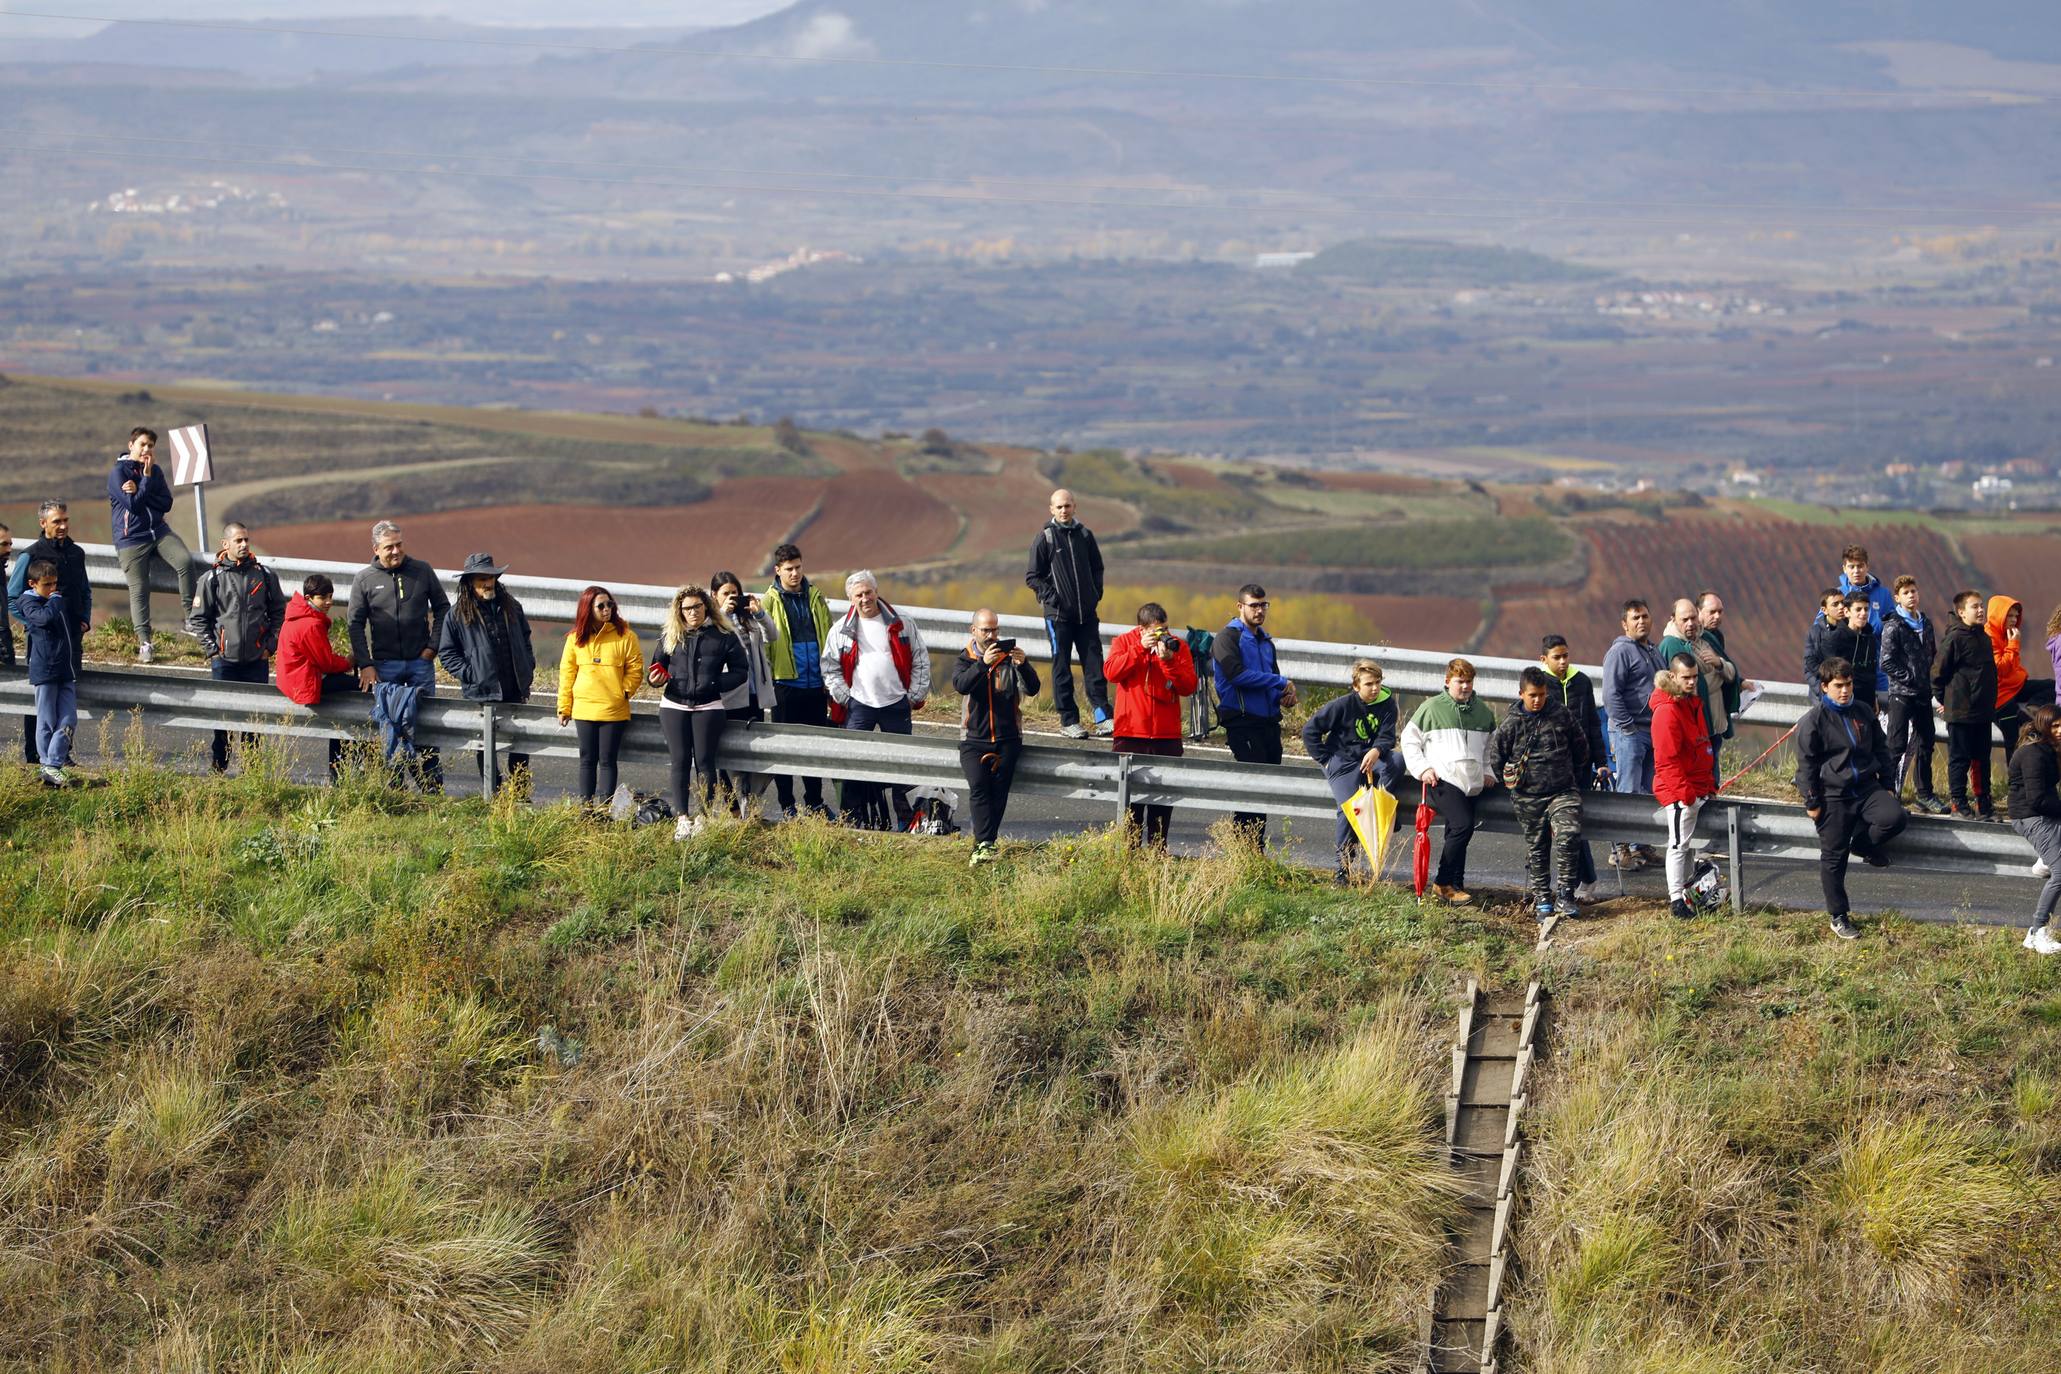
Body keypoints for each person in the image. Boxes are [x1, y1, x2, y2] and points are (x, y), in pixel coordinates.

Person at [1796, 656, 1908, 941]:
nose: (1845, 691)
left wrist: (1887, 783)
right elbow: (1806, 766)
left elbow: (1881, 748)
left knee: (1894, 817)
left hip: (1867, 787)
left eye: (1848, 684)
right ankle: (1839, 916)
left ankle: (1862, 844)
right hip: (1833, 795)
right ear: (1824, 687)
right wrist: (1812, 803)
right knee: (1834, 857)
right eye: (1838, 686)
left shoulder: (1862, 711)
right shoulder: (1813, 721)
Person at [822, 571, 930, 831]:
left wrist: (914, 695)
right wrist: (843, 697)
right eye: (858, 595)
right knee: (853, 764)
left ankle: (906, 819)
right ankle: (852, 818)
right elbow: (829, 667)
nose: (864, 598)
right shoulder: (841, 630)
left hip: (896, 703)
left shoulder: (901, 622)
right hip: (859, 705)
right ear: (850, 599)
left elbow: (920, 658)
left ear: (876, 592)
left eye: (868, 592)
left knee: (902, 765)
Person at [349, 521, 451, 790]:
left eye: (399, 544)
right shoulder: (365, 579)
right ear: (376, 549)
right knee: (390, 726)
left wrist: (432, 648)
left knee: (426, 723)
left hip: (420, 663)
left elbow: (443, 609)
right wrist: (366, 664)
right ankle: (395, 787)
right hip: (384, 665)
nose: (396, 551)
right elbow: (355, 624)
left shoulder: (422, 570)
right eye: (389, 547)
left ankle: (432, 786)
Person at [1487, 665, 1590, 922]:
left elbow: (1581, 748)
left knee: (1568, 837)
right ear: (1521, 693)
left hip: (1562, 791)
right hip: (1528, 797)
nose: (1538, 700)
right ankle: (1542, 897)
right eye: (1532, 695)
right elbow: (1496, 758)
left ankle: (1566, 894)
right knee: (1537, 847)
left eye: (1542, 695)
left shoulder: (1560, 714)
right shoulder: (1512, 723)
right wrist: (1515, 786)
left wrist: (1567, 773)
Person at [186, 522, 286, 774]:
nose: (243, 545)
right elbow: (198, 618)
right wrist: (213, 650)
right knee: (223, 720)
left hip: (256, 660)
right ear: (225, 544)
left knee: (254, 720)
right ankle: (219, 768)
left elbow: (279, 613)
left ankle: (251, 773)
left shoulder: (264, 574)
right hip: (224, 661)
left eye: (246, 540)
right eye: (238, 540)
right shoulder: (212, 578)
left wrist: (269, 647)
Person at [648, 584, 747, 837]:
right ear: (679, 611)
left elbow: (740, 672)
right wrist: (655, 680)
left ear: (707, 607)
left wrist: (715, 683)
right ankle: (682, 818)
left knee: (705, 763)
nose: (693, 612)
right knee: (680, 762)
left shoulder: (724, 635)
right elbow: (655, 669)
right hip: (673, 706)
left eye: (697, 607)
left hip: (709, 706)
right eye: (687, 608)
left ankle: (702, 817)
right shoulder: (670, 635)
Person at [436, 553, 536, 796]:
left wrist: (528, 666)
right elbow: (447, 654)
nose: (487, 583)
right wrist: (471, 674)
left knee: (520, 742)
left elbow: (525, 639)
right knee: (485, 745)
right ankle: (493, 793)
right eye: (482, 579)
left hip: (514, 686)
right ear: (470, 582)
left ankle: (519, 793)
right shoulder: (457, 614)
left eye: (491, 577)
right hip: (482, 691)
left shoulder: (512, 607)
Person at [1401, 658, 1498, 905]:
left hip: (1471, 781)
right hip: (1442, 780)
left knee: (1458, 831)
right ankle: (1443, 883)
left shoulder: (1483, 712)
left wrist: (1488, 771)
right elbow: (1409, 740)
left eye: (1469, 681)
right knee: (1463, 825)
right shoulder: (1432, 708)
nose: (1465, 686)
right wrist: (1422, 769)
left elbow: (1489, 748)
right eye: (1459, 681)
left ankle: (1457, 883)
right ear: (1447, 681)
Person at [1104, 601, 1198, 850]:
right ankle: (1130, 854)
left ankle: (1158, 852)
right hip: (1130, 732)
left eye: (1166, 629)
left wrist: (1168, 661)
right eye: (1157, 631)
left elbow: (1188, 686)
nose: (1163, 635)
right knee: (1131, 802)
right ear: (1142, 629)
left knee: (1163, 801)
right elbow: (1111, 673)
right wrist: (1138, 649)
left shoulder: (1178, 647)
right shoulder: (1124, 642)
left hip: (1166, 735)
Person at [1300, 658, 1403, 883]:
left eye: (1377, 682)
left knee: (1397, 760)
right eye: (1368, 684)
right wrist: (1326, 760)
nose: (1375, 688)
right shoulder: (1343, 705)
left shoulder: (1387, 703)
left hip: (1373, 757)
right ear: (1356, 686)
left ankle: (1381, 809)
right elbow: (1309, 731)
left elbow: (1387, 736)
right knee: (1350, 810)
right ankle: (1343, 869)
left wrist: (1377, 749)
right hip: (1343, 760)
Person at [953, 608, 1041, 864]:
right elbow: (961, 685)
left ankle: (985, 844)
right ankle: (984, 842)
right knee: (979, 786)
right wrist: (984, 664)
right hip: (974, 738)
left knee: (999, 791)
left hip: (1007, 737)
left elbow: (1033, 688)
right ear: (974, 631)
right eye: (986, 630)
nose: (991, 635)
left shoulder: (1008, 658)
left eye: (995, 629)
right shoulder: (966, 659)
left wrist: (1023, 665)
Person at [1213, 583, 1297, 845]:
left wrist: (1283, 697)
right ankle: (1243, 848)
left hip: (1268, 722)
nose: (1260, 610)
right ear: (1240, 606)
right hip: (1241, 720)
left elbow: (1269, 679)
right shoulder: (1227, 638)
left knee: (1266, 789)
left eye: (1264, 605)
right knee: (1251, 785)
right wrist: (1279, 682)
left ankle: (1254, 848)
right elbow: (1236, 675)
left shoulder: (1265, 641)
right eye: (1254, 605)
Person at [8, 502, 90, 766]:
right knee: (43, 702)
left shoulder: (77, 553)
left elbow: (85, 591)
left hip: (71, 641)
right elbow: (12, 597)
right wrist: (33, 622)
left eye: (65, 520)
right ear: (43, 523)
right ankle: (35, 756)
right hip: (42, 642)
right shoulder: (30, 555)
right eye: (57, 521)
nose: (63, 526)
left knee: (66, 701)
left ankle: (61, 757)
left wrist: (84, 619)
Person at [1025, 487, 1110, 738]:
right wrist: (1054, 599)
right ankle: (1069, 721)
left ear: (1075, 507)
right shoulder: (1045, 537)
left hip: (1087, 615)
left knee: (1095, 666)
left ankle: (1103, 716)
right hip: (1058, 617)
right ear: (1052, 509)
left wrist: (1095, 595)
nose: (1064, 510)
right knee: (1061, 667)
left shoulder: (1085, 535)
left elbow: (1098, 568)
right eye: (1059, 506)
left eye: (1068, 505)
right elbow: (1033, 576)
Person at [107, 426, 196, 665]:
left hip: (158, 531)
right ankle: (145, 642)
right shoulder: (118, 472)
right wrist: (144, 482)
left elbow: (166, 502)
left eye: (151, 446)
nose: (147, 449)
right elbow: (133, 506)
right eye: (143, 445)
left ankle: (190, 619)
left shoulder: (155, 471)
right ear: (131, 446)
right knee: (139, 590)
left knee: (185, 562)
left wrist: (142, 489)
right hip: (131, 539)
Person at [761, 542, 835, 818]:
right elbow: (765, 645)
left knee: (812, 748)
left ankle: (814, 803)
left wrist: (829, 677)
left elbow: (828, 634)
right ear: (778, 570)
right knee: (784, 749)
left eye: (799, 567)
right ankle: (787, 805)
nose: (795, 574)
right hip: (785, 684)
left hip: (815, 684)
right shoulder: (769, 600)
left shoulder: (815, 596)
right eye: (789, 569)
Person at [556, 585, 642, 806]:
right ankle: (585, 808)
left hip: (613, 709)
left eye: (610, 604)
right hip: (584, 708)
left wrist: (623, 692)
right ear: (588, 609)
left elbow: (635, 669)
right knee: (587, 759)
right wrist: (564, 707)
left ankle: (604, 810)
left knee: (607, 760)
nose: (607, 609)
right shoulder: (575, 639)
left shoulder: (626, 636)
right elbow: (567, 674)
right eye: (601, 606)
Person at [1650, 651, 1717, 920]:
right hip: (1681, 791)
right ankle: (1676, 900)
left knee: (1686, 845)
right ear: (1673, 676)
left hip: (1696, 787)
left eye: (1694, 677)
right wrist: (1685, 794)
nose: (1691, 682)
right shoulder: (1667, 712)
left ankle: (1689, 894)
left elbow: (1700, 746)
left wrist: (1707, 784)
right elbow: (1666, 761)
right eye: (1686, 678)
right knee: (1678, 844)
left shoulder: (1691, 703)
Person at [277, 573, 364, 778]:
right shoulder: (311, 624)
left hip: (294, 678)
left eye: (330, 596)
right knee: (362, 688)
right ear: (309, 598)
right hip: (306, 681)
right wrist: (350, 661)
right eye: (323, 597)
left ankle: (339, 769)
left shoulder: (296, 615)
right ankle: (354, 761)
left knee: (340, 717)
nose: (328, 602)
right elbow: (326, 662)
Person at [1541, 634, 1608, 899]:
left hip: (1580, 766)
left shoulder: (1581, 681)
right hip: (1551, 767)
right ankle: (1573, 881)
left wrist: (1601, 761)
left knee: (1572, 826)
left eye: (1565, 656)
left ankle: (1586, 879)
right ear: (1544, 659)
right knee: (1557, 828)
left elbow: (1593, 723)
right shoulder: (1540, 683)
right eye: (1556, 657)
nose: (1562, 661)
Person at [1601, 599, 1662, 870]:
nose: (1641, 621)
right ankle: (1620, 848)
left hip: (1653, 731)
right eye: (1635, 617)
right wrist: (1627, 726)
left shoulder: (1653, 651)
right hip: (1630, 732)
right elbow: (1610, 694)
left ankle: (1640, 844)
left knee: (1647, 791)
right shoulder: (1619, 652)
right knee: (1626, 791)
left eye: (1645, 616)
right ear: (1625, 624)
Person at [711, 571, 779, 814]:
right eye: (726, 593)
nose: (732, 597)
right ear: (714, 596)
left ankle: (751, 803)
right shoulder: (714, 620)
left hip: (754, 693)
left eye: (735, 593)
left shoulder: (749, 619)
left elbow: (773, 635)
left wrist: (759, 613)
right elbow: (709, 637)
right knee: (729, 754)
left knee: (754, 753)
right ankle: (733, 810)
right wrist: (723, 614)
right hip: (730, 697)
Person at [1880, 575, 1946, 814]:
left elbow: (1931, 654)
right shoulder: (1893, 625)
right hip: (1901, 694)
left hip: (1923, 694)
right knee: (1896, 745)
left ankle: (1925, 794)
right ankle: (1886, 793)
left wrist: (1932, 684)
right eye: (1906, 592)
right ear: (1897, 597)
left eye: (1914, 591)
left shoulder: (1925, 623)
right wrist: (1910, 678)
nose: (1911, 596)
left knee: (1926, 742)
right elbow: (1886, 662)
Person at [1936, 590, 1999, 820]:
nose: (1981, 610)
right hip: (1961, 711)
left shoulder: (1984, 637)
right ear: (1962, 612)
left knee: (1982, 759)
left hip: (1982, 711)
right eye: (1975, 607)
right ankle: (1959, 804)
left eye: (1981, 606)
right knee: (1959, 760)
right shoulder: (1955, 638)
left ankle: (1984, 804)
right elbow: (1937, 673)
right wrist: (1947, 700)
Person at [15, 559, 77, 787]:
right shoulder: (30, 602)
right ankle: (48, 764)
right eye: (47, 584)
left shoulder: (54, 601)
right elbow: (43, 618)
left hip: (64, 670)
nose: (53, 589)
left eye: (55, 584)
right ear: (33, 584)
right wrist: (54, 601)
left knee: (69, 719)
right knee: (47, 721)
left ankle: (53, 764)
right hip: (45, 670)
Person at [2007, 705, 2061, 955]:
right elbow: (2037, 799)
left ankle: (2046, 861)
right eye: (2055, 726)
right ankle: (2037, 931)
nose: (2059, 731)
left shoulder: (2051, 750)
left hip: (2044, 812)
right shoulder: (2034, 754)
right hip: (2030, 816)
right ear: (2043, 727)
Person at [1658, 594, 1742, 755]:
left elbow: (1731, 673)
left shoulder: (1707, 638)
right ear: (1673, 619)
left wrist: (1719, 664)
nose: (1690, 623)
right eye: (1684, 619)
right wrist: (1718, 676)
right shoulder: (1671, 645)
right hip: (1694, 726)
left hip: (1716, 723)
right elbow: (1689, 686)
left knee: (1712, 774)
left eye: (1693, 618)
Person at [1988, 595, 2042, 768]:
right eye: (2009, 616)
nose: (2013, 620)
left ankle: (2032, 710)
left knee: (2052, 686)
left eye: (2015, 616)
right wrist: (2013, 644)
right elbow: (2001, 669)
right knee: (2013, 741)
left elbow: (2012, 667)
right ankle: (2015, 786)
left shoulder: (2007, 633)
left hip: (2014, 687)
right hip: (2001, 698)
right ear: (1998, 615)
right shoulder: (1990, 637)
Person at [1839, 544, 1897, 697]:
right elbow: (1823, 629)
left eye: (1860, 566)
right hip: (1847, 668)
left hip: (1878, 668)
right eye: (1851, 567)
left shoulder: (1883, 594)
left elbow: (1894, 627)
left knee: (1879, 715)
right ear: (1844, 568)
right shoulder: (1838, 595)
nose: (1856, 571)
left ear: (1867, 566)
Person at [1821, 593, 1881, 712]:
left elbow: (1872, 672)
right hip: (1844, 704)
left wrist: (1874, 698)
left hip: (1867, 704)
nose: (1863, 613)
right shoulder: (1834, 639)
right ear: (1847, 612)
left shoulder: (1871, 638)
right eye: (1858, 609)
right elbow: (1830, 676)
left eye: (1866, 609)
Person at [1802, 588, 1848, 700]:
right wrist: (1826, 685)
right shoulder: (1815, 632)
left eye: (1843, 602)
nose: (1841, 607)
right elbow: (1810, 664)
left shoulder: (1853, 630)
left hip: (1848, 692)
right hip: (1822, 694)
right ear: (1824, 609)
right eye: (1835, 604)